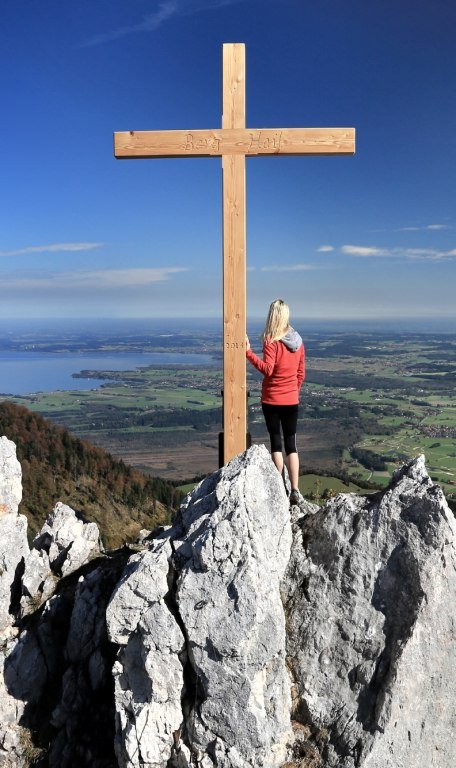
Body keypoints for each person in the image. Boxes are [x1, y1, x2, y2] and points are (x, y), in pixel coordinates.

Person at [246, 299, 305, 507]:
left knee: (276, 442)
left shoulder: (271, 339)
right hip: (291, 400)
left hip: (271, 399)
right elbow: (301, 373)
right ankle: (295, 490)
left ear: (272, 315)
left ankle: (279, 487)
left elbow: (268, 369)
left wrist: (248, 353)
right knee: (292, 444)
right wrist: (292, 392)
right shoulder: (297, 340)